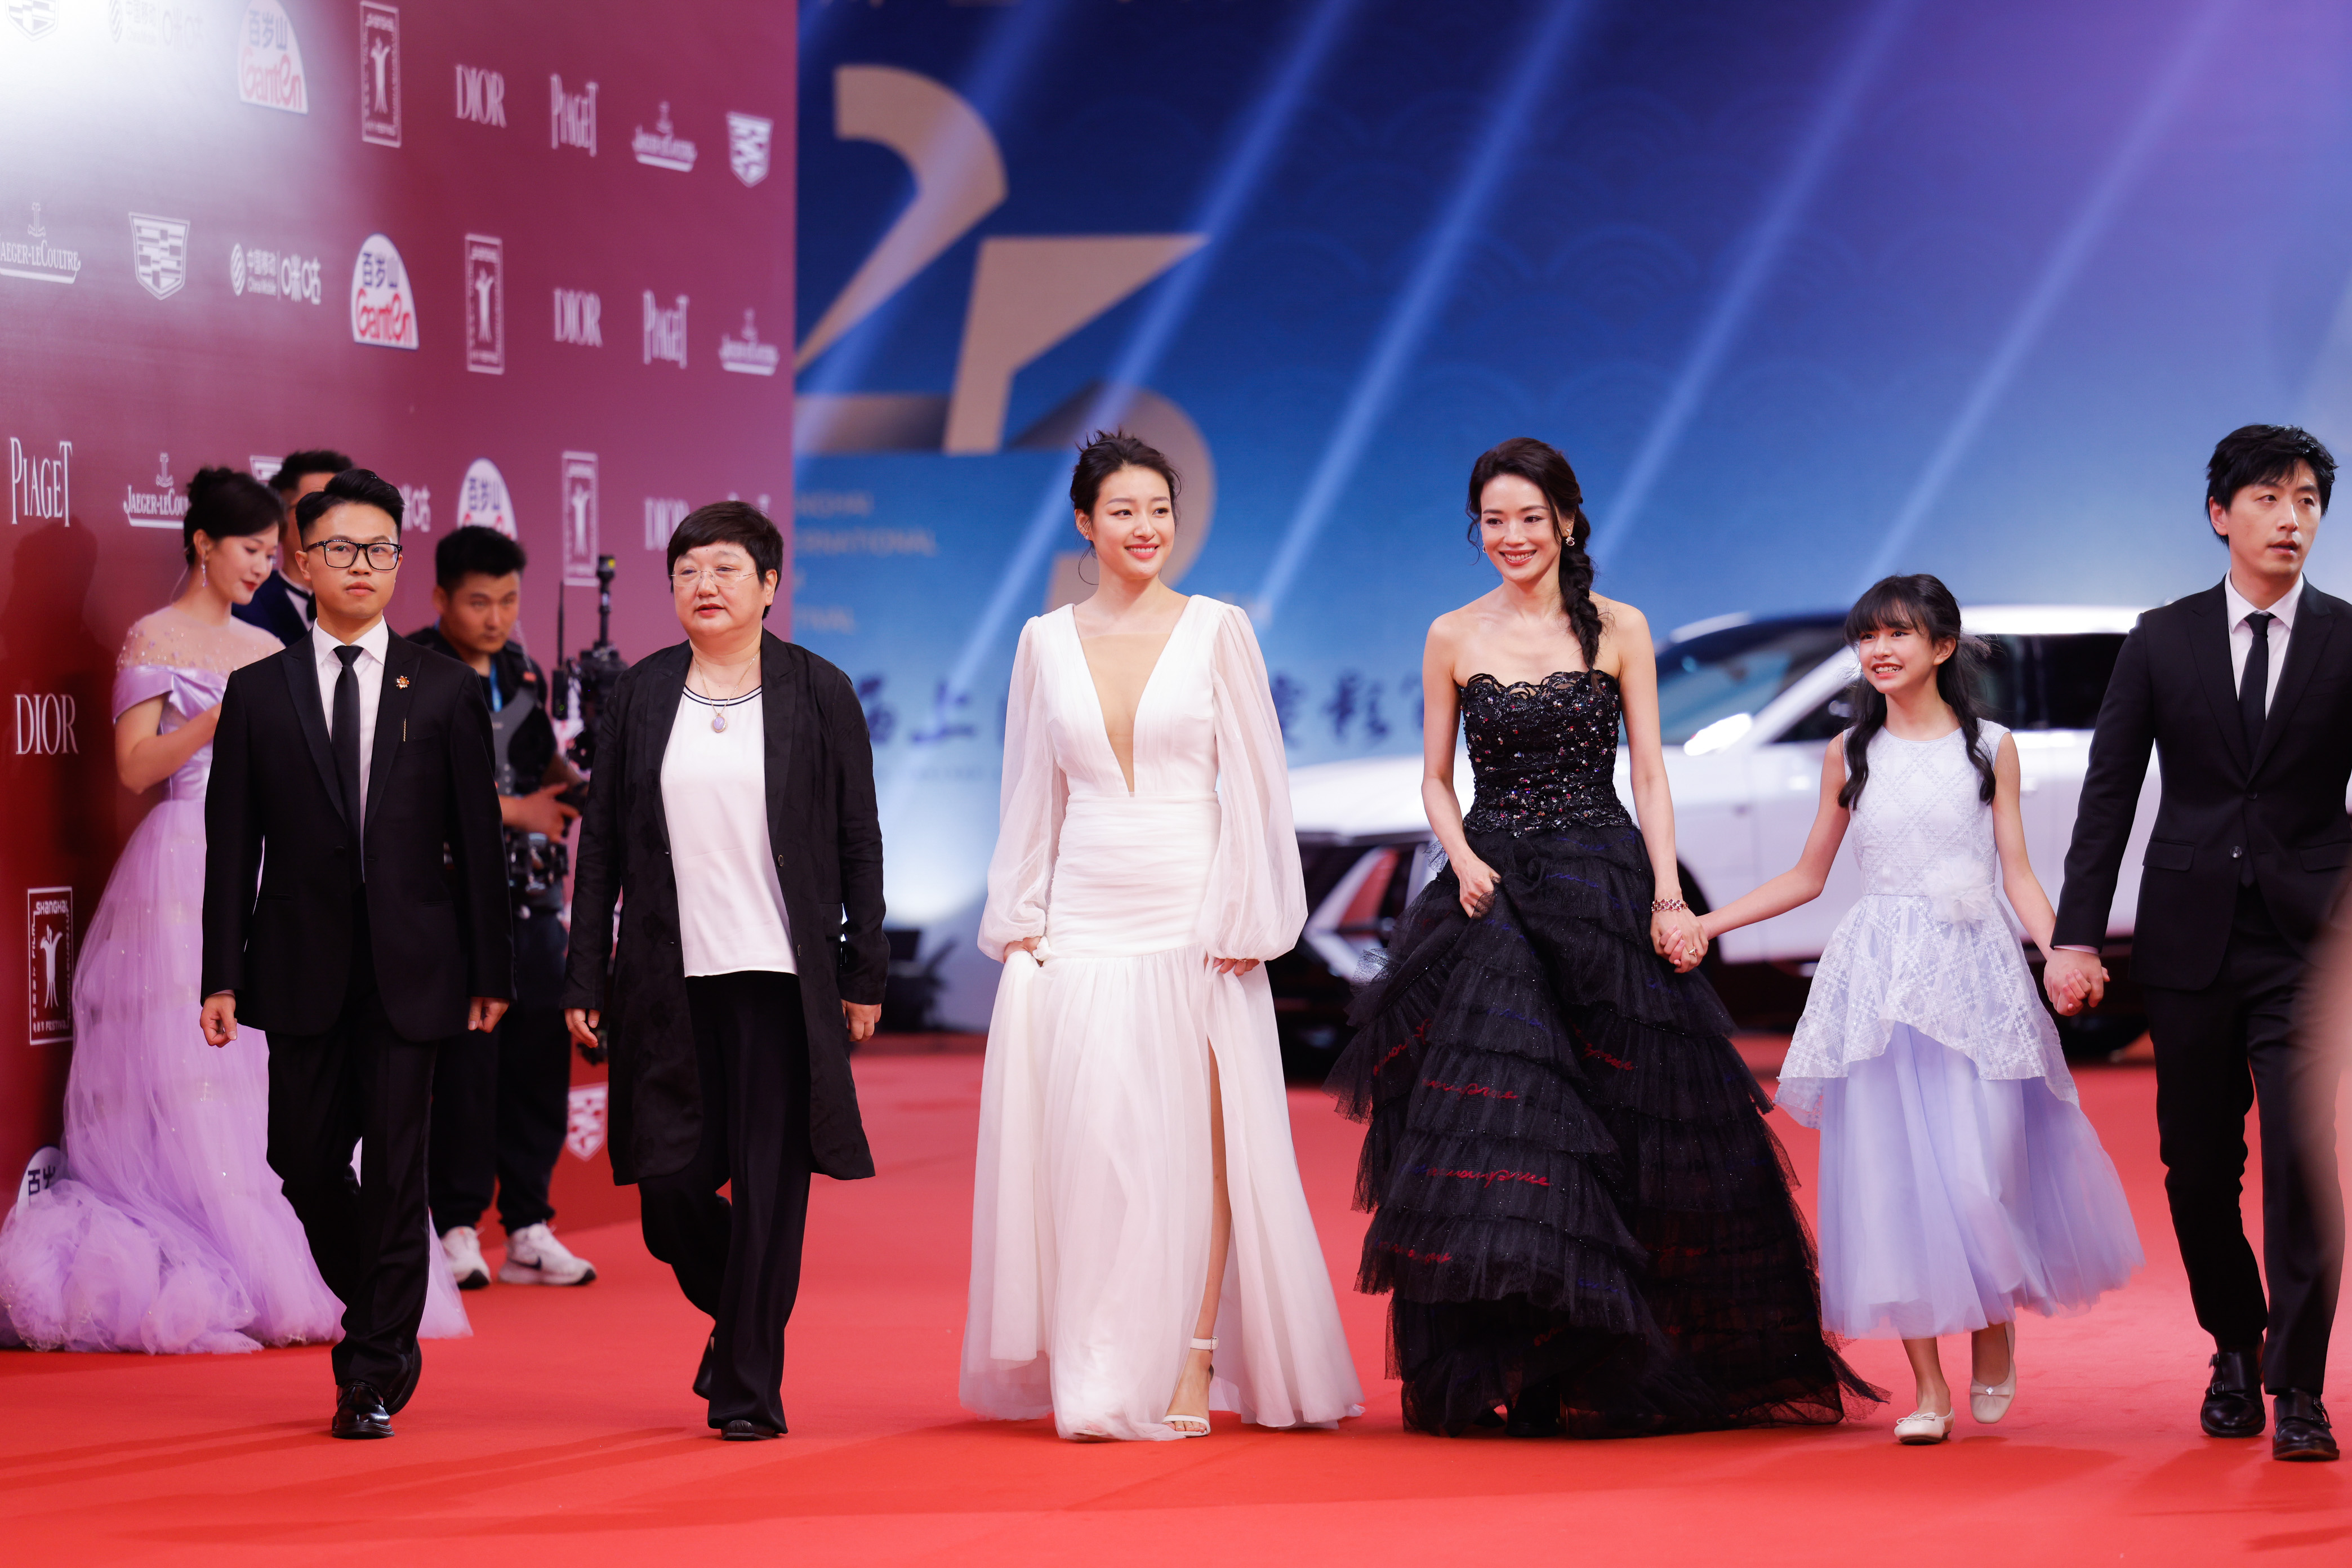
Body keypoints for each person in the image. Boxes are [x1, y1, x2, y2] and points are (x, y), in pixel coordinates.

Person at [1329, 436, 1878, 1438]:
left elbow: (1654, 776)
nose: (1512, 536)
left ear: (1568, 523)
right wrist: (1457, 855)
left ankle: (1611, 1366)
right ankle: (1509, 1360)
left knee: (1632, 1126)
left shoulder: (1619, 626)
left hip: (1600, 880)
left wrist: (1669, 894)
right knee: (1501, 1134)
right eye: (1493, 520)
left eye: (1529, 518)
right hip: (1489, 895)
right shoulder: (1451, 632)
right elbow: (1433, 778)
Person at [961, 433, 1362, 1443]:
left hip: (1197, 913)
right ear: (1085, 524)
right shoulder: (1042, 642)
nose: (1146, 529)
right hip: (1087, 913)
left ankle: (1193, 1356)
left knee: (1210, 1140)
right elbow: (1028, 795)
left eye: (1160, 510)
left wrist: (1252, 912)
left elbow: (1261, 789)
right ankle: (1099, 1359)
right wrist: (1022, 920)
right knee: (1097, 1143)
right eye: (1124, 511)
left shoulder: (1220, 629)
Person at [1696, 574, 2142, 1445]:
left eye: (1899, 633)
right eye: (1867, 636)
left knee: (1984, 1173)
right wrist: (1707, 921)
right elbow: (1807, 876)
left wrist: (2063, 950)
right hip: (1878, 983)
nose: (1879, 650)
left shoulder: (1992, 749)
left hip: (1976, 977)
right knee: (1891, 1182)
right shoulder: (1848, 753)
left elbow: (2016, 872)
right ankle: (1926, 1389)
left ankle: (1993, 1321)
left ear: (1943, 647)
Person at [2047, 424, 2350, 1463]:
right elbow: (2109, 796)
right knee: (2194, 1165)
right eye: (2268, 497)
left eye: (2308, 498)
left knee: (2310, 1163)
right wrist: (2075, 935)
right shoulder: (2160, 638)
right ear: (2221, 514)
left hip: (2314, 946)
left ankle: (2299, 1384)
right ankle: (2234, 1341)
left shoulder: (2349, 639)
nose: (2291, 517)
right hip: (2189, 944)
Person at [0, 470, 345, 1351]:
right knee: (188, 1068)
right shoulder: (154, 636)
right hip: (181, 862)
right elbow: (134, 768)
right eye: (250, 551)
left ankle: (285, 1258)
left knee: (259, 1079)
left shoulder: (271, 648)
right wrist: (222, 720)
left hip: (263, 867)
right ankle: (212, 1255)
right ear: (202, 543)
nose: (264, 570)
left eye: (274, 555)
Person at [562, 501, 886, 1441]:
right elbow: (605, 848)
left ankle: (748, 1386)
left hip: (782, 982)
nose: (705, 585)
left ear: (770, 585)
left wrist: (862, 968)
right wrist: (586, 976)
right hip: (668, 980)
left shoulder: (818, 691)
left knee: (771, 1191)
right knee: (669, 1190)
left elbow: (858, 836)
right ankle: (734, 1317)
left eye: (726, 569)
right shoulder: (641, 693)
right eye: (689, 570)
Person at [201, 469, 511, 1440]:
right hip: (296, 962)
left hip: (415, 969)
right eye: (341, 548)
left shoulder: (448, 688)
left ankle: (371, 1367)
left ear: (399, 560)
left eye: (380, 549)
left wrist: (491, 969)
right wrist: (220, 968)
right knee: (298, 1158)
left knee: (396, 1169)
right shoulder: (257, 692)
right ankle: (384, 1303)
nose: (362, 566)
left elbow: (477, 843)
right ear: (302, 560)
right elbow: (231, 843)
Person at [410, 527, 596, 1291]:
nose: (496, 617)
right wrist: (517, 811)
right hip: (452, 906)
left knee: (535, 1067)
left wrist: (581, 784)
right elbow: (411, 788)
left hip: (537, 901)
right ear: (441, 599)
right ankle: (454, 1227)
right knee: (463, 1069)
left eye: (509, 601)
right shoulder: (412, 671)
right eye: (479, 602)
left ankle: (527, 1226)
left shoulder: (523, 669)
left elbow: (538, 763)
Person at [234, 449, 352, 645]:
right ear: (280, 519)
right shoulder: (245, 608)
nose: (333, 519)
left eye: (342, 508)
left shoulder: (363, 601)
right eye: (316, 506)